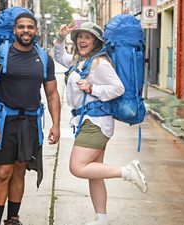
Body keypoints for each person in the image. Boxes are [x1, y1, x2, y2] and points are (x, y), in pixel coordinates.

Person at [53, 22, 148, 225]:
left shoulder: (100, 63)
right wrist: (61, 38)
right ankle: (101, 218)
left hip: (95, 122)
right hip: (88, 121)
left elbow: (118, 88)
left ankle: (128, 171)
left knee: (77, 167)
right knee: (94, 173)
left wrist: (92, 88)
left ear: (96, 41)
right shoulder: (80, 61)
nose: (82, 40)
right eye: (79, 37)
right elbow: (59, 56)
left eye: (87, 37)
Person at [0, 13, 60, 225]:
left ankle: (12, 219)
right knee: (3, 173)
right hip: (6, 123)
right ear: (14, 30)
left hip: (31, 122)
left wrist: (56, 125)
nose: (26, 31)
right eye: (21, 27)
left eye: (30, 27)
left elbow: (52, 94)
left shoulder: (44, 59)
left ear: (36, 30)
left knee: (20, 172)